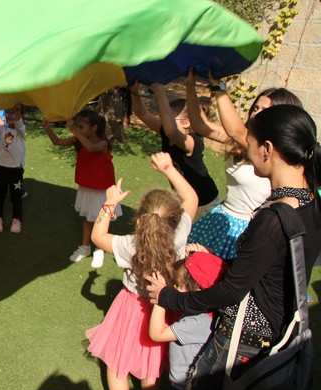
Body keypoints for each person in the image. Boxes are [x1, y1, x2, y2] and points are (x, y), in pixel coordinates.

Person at [146, 104, 321, 390]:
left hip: (241, 339)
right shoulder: (311, 203)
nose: (246, 151)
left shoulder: (273, 219)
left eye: (250, 144)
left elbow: (228, 293)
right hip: (275, 333)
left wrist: (168, 297)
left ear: (268, 150)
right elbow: (273, 271)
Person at [87, 152, 198, 390]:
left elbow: (98, 237)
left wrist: (109, 202)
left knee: (117, 365)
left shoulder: (131, 244)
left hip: (130, 309)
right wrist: (169, 169)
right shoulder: (180, 234)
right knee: (152, 363)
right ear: (175, 219)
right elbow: (192, 199)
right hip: (165, 307)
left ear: (139, 221)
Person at [184, 71, 302, 259]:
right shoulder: (244, 142)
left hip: (248, 228)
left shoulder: (275, 150)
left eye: (265, 109)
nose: (257, 112)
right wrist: (190, 87)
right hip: (221, 217)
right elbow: (200, 126)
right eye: (256, 108)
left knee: (226, 282)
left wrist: (218, 86)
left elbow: (236, 131)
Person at [147, 252, 227, 390]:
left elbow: (156, 334)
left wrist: (161, 298)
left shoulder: (199, 321)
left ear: (197, 291)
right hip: (184, 384)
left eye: (178, 285)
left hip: (188, 388)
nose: (173, 288)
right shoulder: (208, 310)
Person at [42, 109, 120, 268]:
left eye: (82, 126)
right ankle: (85, 247)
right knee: (87, 217)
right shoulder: (80, 140)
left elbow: (91, 148)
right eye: (78, 126)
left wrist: (75, 131)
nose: (78, 129)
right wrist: (48, 128)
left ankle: (99, 248)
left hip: (102, 188)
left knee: (101, 217)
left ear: (94, 128)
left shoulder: (102, 144)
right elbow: (57, 142)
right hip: (88, 186)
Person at [131, 81, 220, 216]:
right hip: (184, 200)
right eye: (163, 118)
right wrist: (134, 90)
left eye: (169, 119)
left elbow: (172, 131)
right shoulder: (166, 133)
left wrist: (161, 94)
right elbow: (142, 113)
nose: (164, 122)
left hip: (206, 204)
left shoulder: (193, 142)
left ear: (186, 122)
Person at [0, 103, 26, 233]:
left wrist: (18, 107)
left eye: (14, 112)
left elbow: (18, 121)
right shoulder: (2, 129)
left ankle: (16, 219)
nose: (10, 115)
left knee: (16, 197)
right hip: (2, 169)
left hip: (15, 171)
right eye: (8, 112)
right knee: (0, 196)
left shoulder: (20, 130)